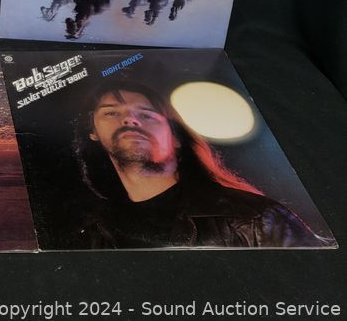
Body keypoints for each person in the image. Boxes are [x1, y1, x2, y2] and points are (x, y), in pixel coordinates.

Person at [67, 78, 327, 248]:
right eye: (111, 112)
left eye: (147, 115)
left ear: (177, 138)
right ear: (93, 133)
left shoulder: (256, 218)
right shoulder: (94, 233)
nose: (130, 120)